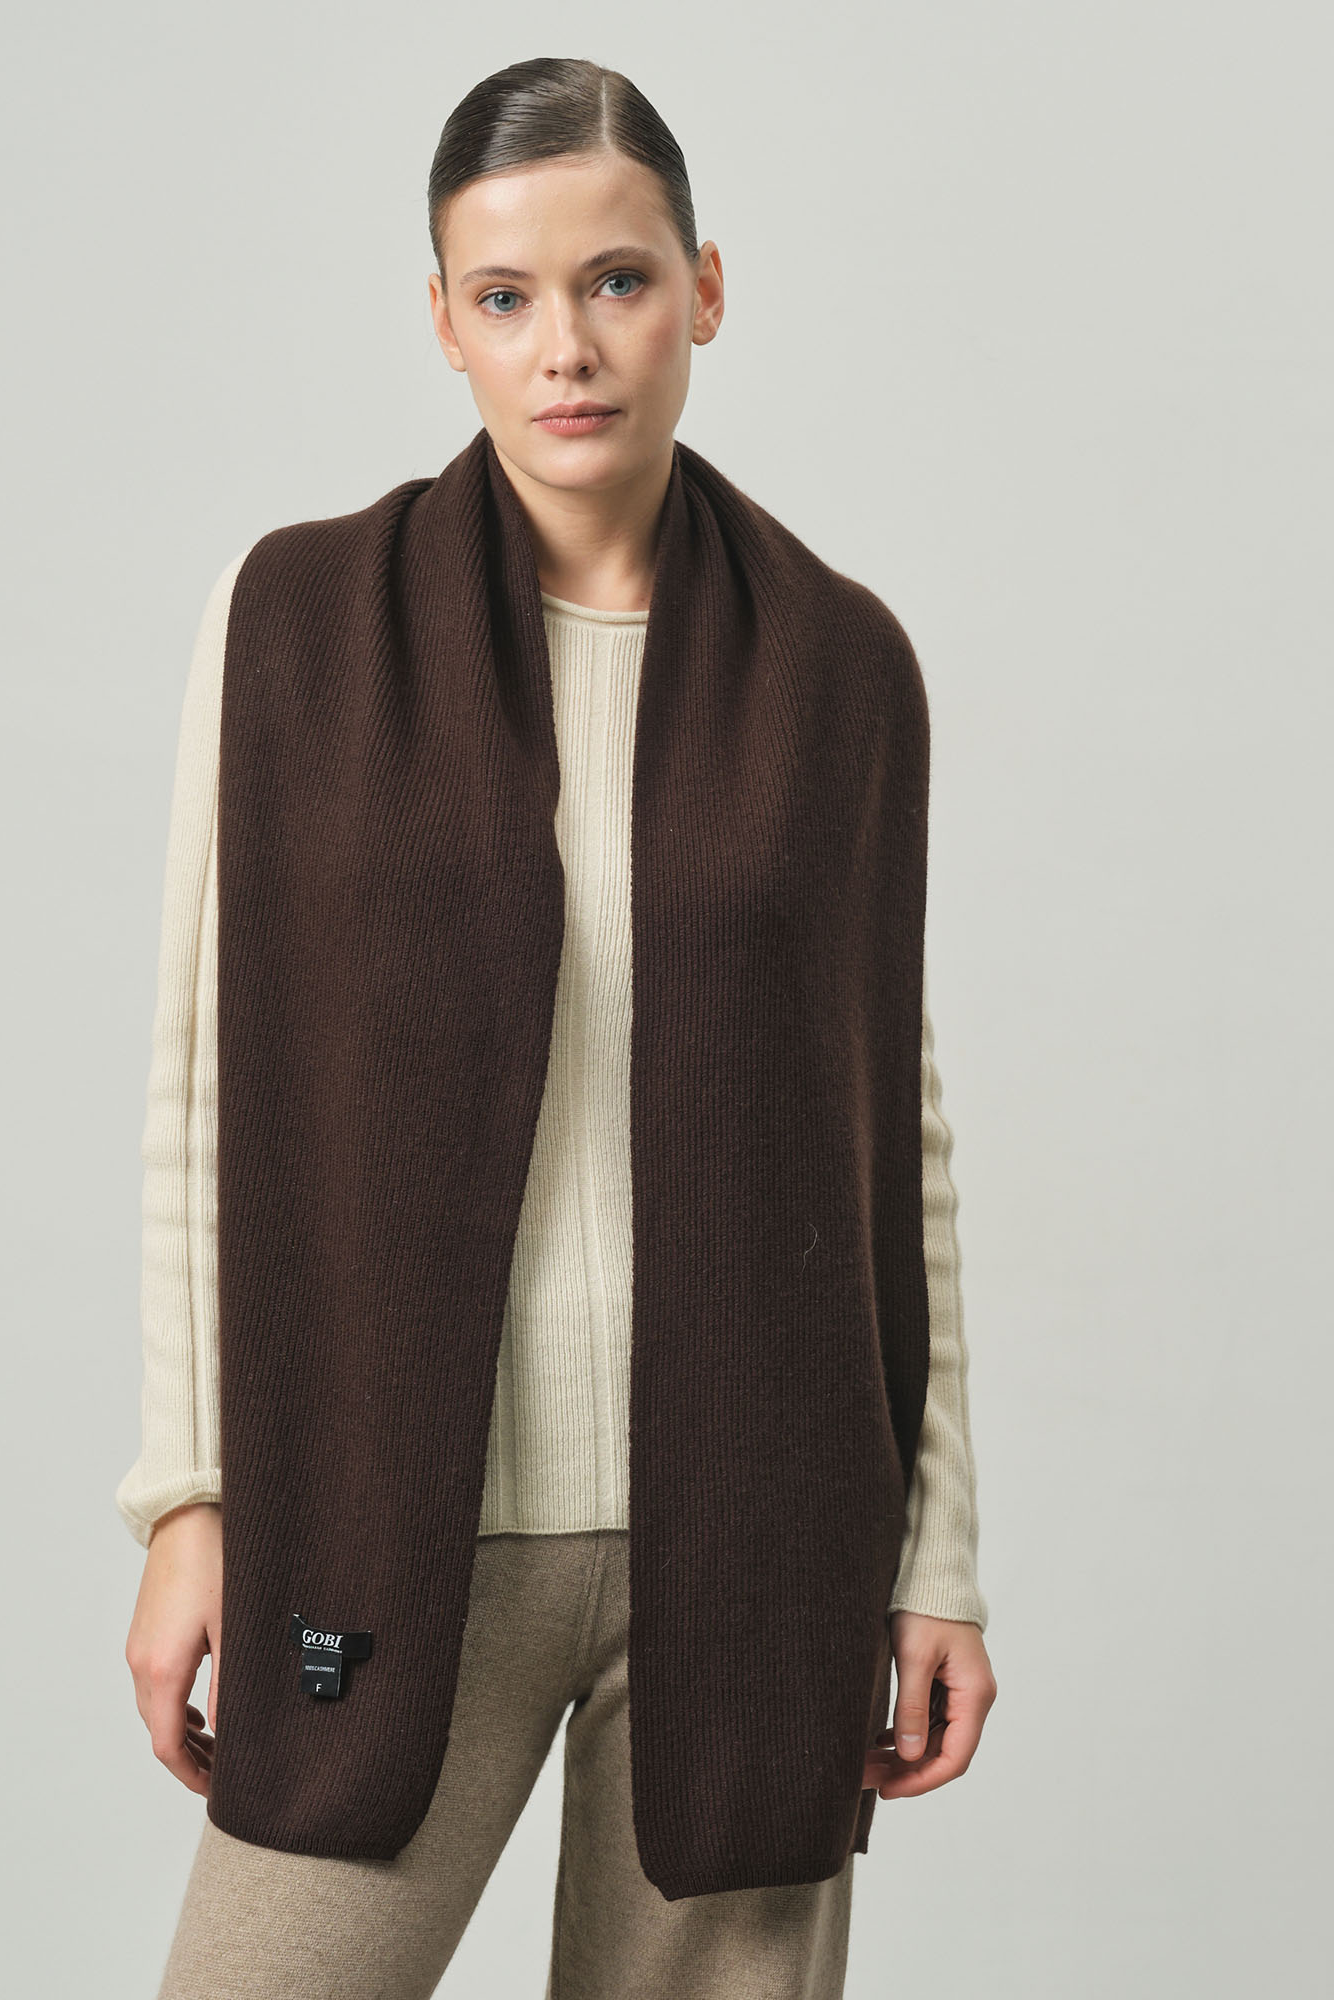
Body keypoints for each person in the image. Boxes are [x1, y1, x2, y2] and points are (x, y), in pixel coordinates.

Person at [118, 54, 996, 2000]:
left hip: (757, 1536)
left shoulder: (841, 668)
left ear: (704, 288)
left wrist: (936, 1557)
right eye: (506, 296)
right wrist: (188, 1500)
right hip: (389, 1513)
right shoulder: (298, 625)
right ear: (444, 320)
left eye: (616, 281)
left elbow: (893, 1140)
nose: (566, 347)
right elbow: (203, 1083)